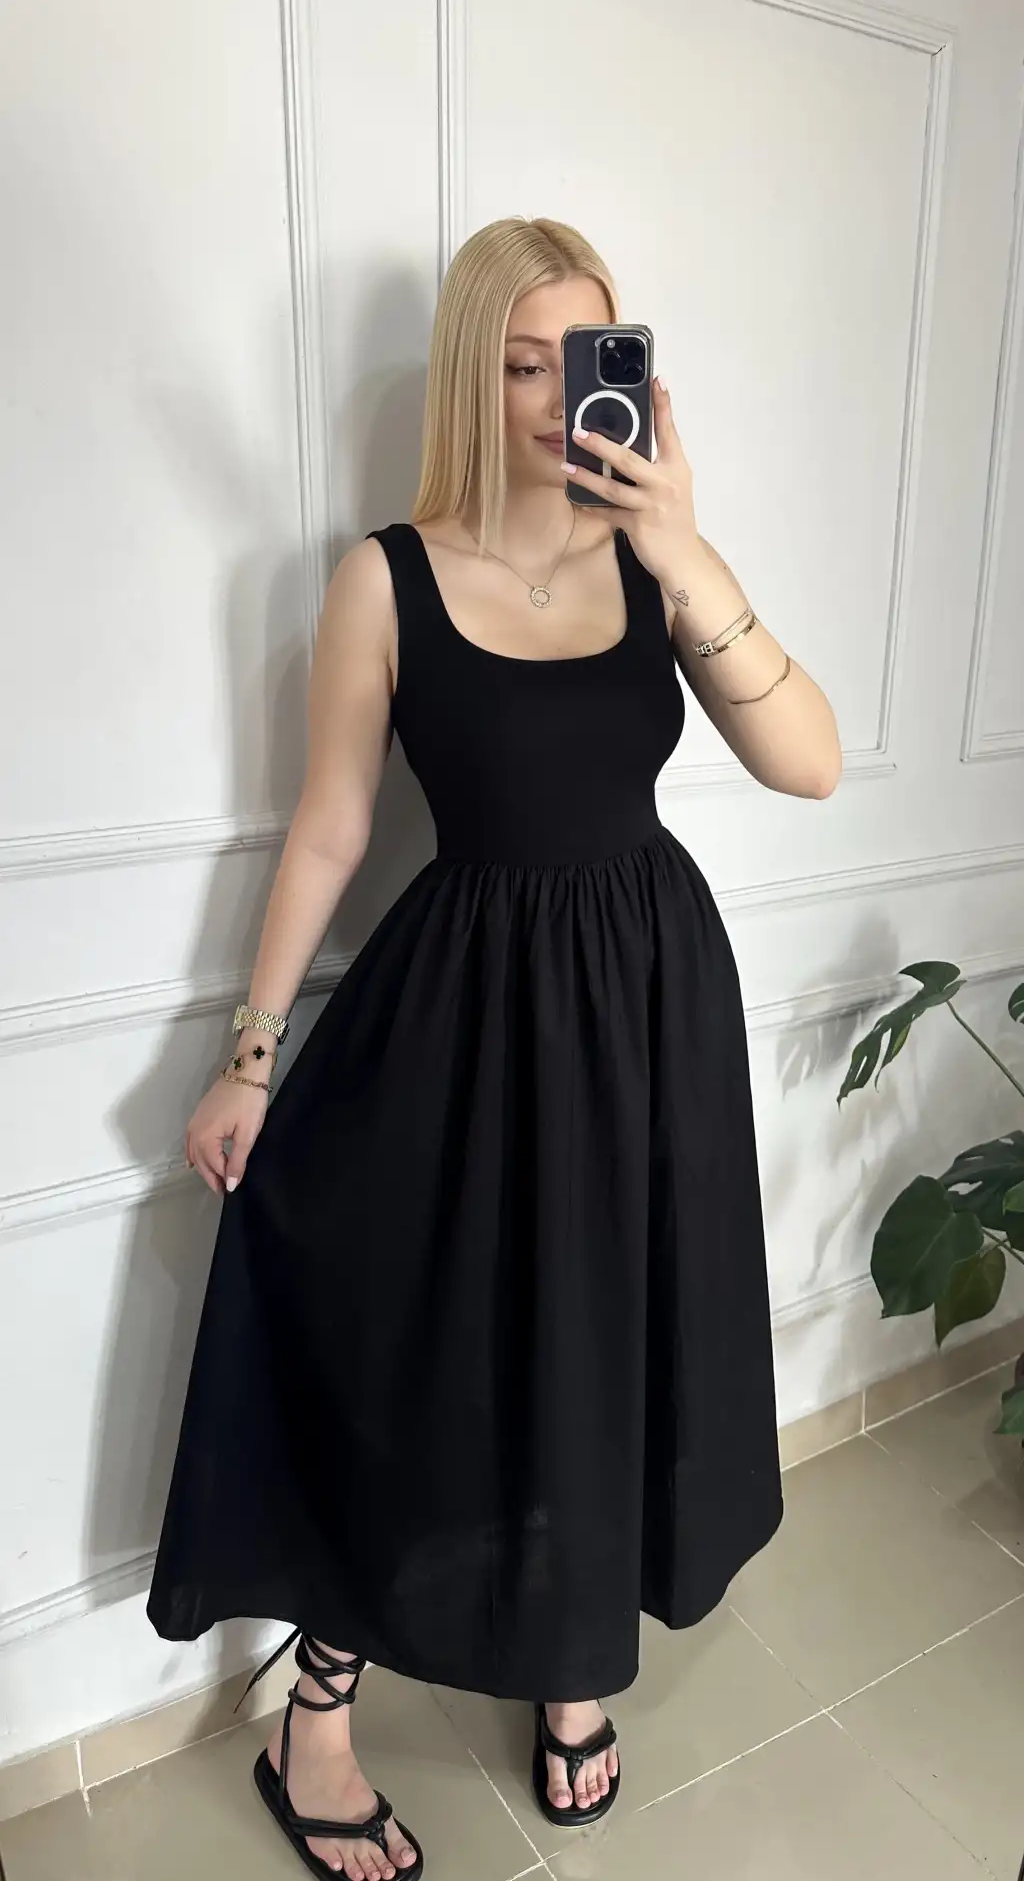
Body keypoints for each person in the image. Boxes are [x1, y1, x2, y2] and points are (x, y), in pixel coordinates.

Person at [146, 215, 842, 1881]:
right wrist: (251, 1050)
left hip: (649, 1011)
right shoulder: (383, 576)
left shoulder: (655, 564)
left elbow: (809, 763)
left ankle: (568, 1656)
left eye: (589, 357)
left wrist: (686, 547)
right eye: (523, 362)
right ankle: (315, 1719)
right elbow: (330, 824)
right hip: (463, 1023)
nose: (556, 396)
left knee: (599, 1344)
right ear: (473, 372)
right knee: (418, 1352)